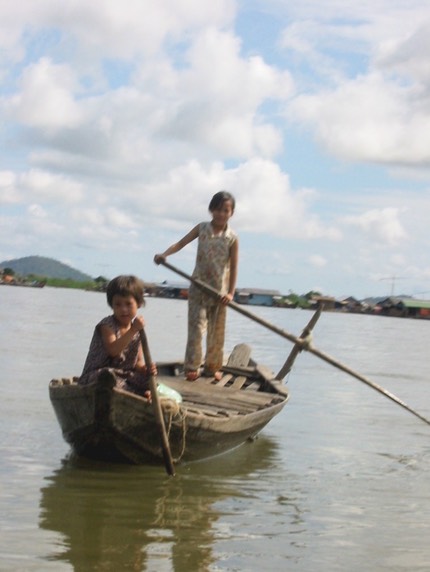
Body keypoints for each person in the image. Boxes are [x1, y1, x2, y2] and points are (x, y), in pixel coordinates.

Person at [154, 190, 239, 381]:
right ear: (211, 210)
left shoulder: (232, 237)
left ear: (231, 213)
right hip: (198, 288)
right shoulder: (202, 229)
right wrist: (165, 254)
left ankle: (211, 368)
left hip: (219, 293)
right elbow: (181, 243)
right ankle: (192, 366)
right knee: (196, 330)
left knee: (216, 334)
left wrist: (231, 293)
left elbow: (234, 267)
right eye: (217, 209)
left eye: (225, 210)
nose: (221, 214)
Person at [79, 275, 157, 398]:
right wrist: (133, 330)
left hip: (124, 375)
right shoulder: (107, 325)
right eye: (118, 304)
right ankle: (135, 393)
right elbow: (113, 351)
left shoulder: (137, 330)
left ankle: (143, 393)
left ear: (139, 304)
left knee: (150, 381)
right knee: (110, 379)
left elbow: (139, 362)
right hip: (101, 374)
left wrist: (146, 369)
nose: (123, 309)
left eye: (128, 304)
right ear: (112, 305)